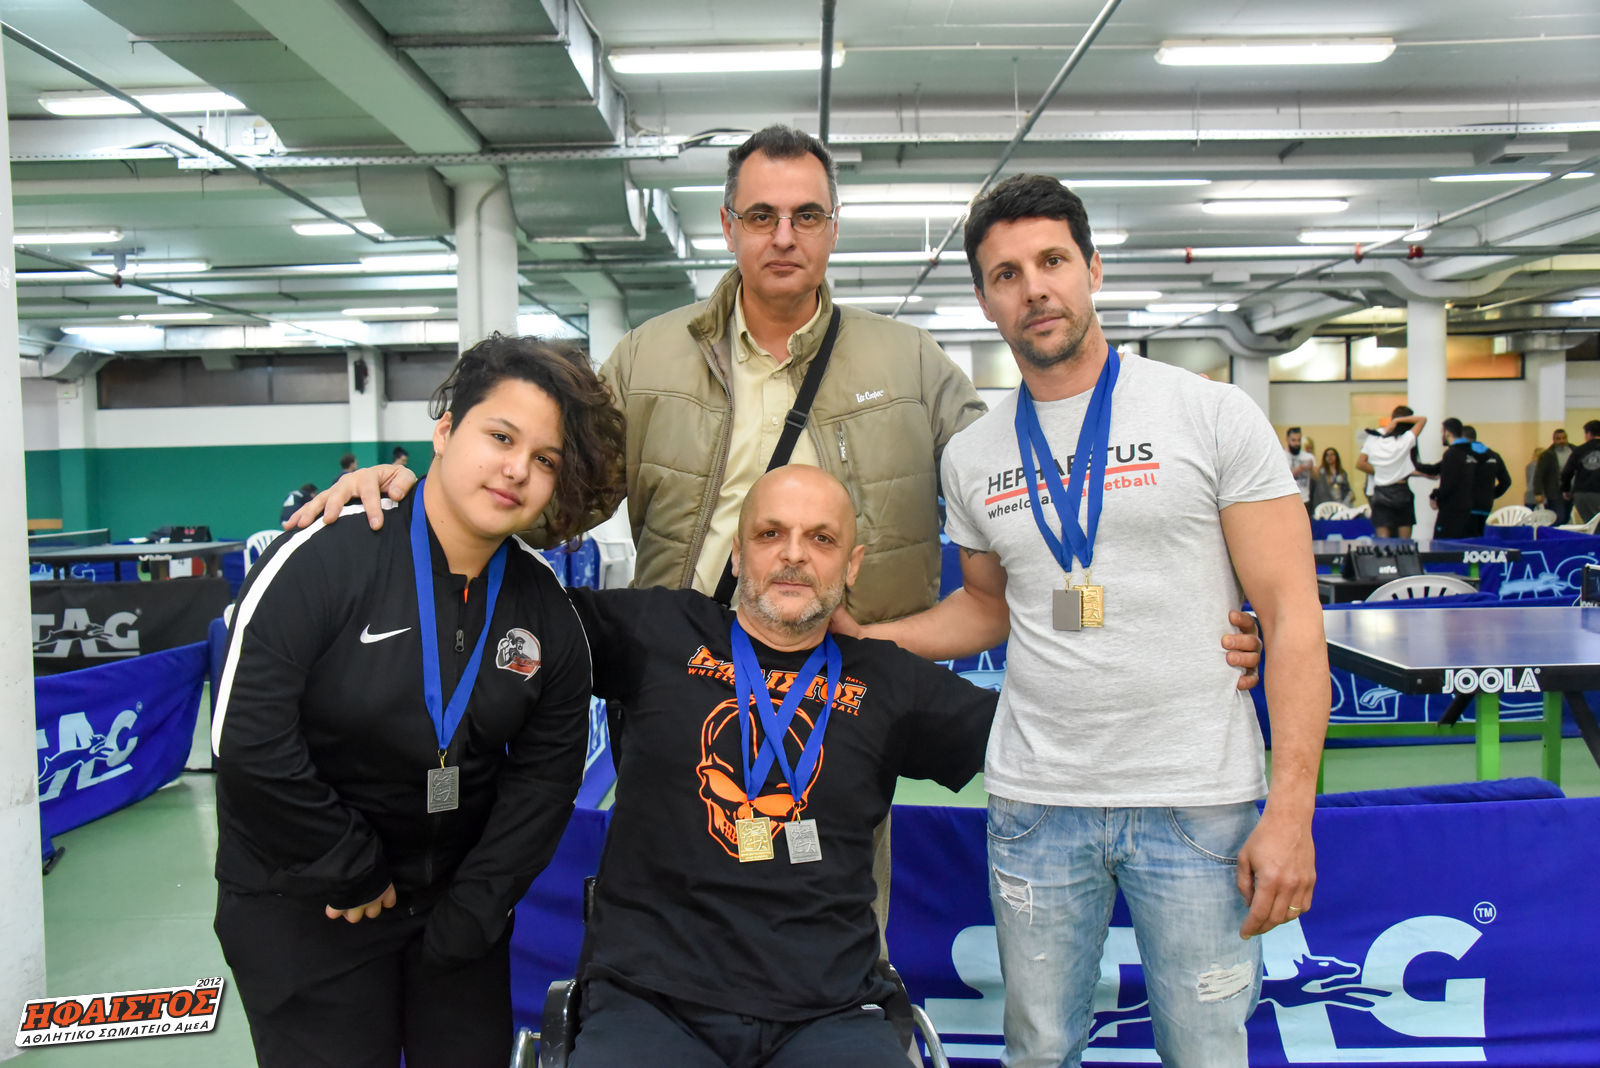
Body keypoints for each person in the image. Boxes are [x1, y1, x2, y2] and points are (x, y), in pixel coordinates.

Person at [833, 174, 1328, 1068]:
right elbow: (988, 606)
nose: (1035, 288)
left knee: (1207, 1051)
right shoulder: (973, 455)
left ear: (1093, 269)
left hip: (1197, 797)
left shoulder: (1209, 414)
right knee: (1040, 1049)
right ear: (985, 300)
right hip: (1038, 802)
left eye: (1053, 261)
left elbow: (1292, 616)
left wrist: (1292, 808)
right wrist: (862, 638)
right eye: (1007, 274)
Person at [560, 466, 1263, 1068]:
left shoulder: (888, 681)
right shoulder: (657, 632)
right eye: (771, 534)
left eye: (821, 539)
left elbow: (1065, 722)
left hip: (826, 1014)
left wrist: (1205, 653)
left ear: (852, 566)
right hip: (651, 1003)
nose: (794, 555)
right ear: (739, 554)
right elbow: (520, 614)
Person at [211, 335, 626, 1068]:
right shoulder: (322, 558)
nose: (517, 470)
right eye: (501, 437)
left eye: (544, 459)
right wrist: (348, 864)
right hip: (308, 905)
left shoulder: (545, 610)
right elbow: (248, 741)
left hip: (454, 918)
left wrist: (477, 907)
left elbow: (546, 779)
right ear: (445, 431)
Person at [1357, 407, 1429, 538]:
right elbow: (1422, 420)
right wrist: (1398, 421)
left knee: (1383, 543)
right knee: (1404, 543)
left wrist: (1381, 471)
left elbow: (1360, 463)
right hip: (1401, 491)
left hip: (1380, 493)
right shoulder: (1405, 440)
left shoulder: (1373, 438)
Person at [1415, 418, 1479, 538]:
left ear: (1447, 432)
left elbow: (1448, 483)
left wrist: (1435, 496)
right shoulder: (1470, 453)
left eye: (1442, 432)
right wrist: (1415, 465)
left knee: (1442, 543)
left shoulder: (1452, 454)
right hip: (1469, 508)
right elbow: (1436, 469)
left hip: (1451, 510)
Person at [1461, 425, 1511, 534]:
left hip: (1465, 505)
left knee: (1464, 540)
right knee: (1479, 537)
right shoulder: (1494, 455)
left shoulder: (1462, 454)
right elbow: (1506, 481)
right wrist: (1491, 495)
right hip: (1485, 505)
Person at [1560, 420, 1600, 524]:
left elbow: (1567, 472)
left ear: (1588, 434)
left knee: (1590, 523)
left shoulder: (1579, 450)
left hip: (1581, 493)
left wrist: (1566, 489)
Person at [1535, 428, 1574, 523]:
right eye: (1558, 439)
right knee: (1558, 517)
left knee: (1566, 517)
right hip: (1554, 492)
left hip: (1572, 490)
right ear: (1554, 440)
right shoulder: (1547, 455)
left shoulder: (1575, 451)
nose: (1561, 441)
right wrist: (1538, 492)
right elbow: (1539, 475)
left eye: (1564, 438)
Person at [1284, 427, 1314, 510]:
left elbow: (1316, 477)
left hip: (1305, 499)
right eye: (1293, 440)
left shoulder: (1308, 457)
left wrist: (1311, 468)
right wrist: (1296, 471)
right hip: (1288, 499)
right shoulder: (1282, 456)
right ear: (1287, 440)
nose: (1297, 443)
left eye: (1299, 440)